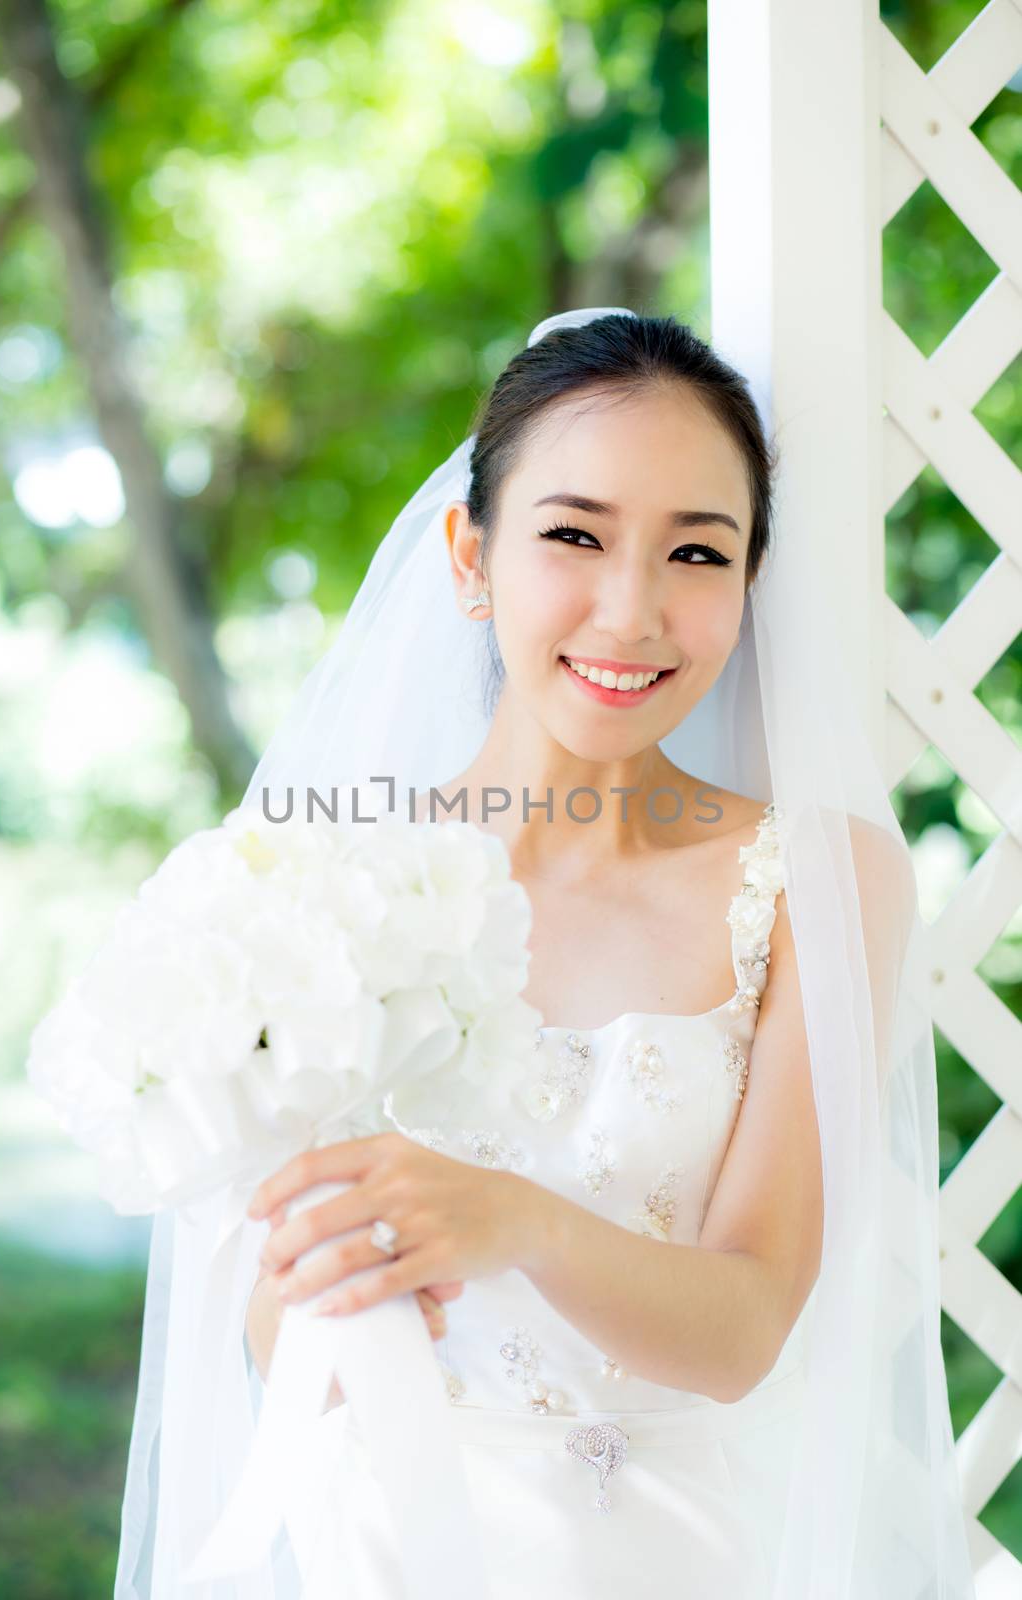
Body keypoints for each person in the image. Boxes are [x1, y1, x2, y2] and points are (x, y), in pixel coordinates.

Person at [114, 309, 975, 1599]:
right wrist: (339, 1304)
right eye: (575, 534)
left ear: (746, 585)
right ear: (471, 556)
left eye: (699, 551)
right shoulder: (313, 881)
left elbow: (745, 1327)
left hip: (687, 1559)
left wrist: (510, 1220)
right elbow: (268, 1339)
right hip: (390, 1548)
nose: (630, 612)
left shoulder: (823, 877)